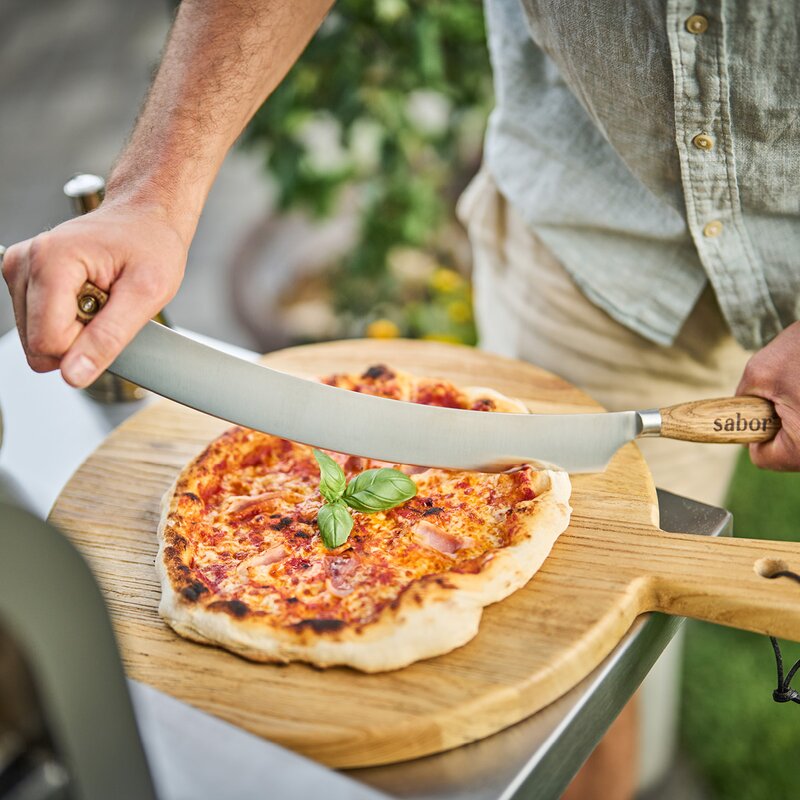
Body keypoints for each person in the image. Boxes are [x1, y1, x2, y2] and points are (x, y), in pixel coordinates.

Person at [4, 1, 800, 797]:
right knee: (584, 651)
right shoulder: (233, 537)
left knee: (610, 636)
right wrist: (151, 191)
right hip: (597, 223)